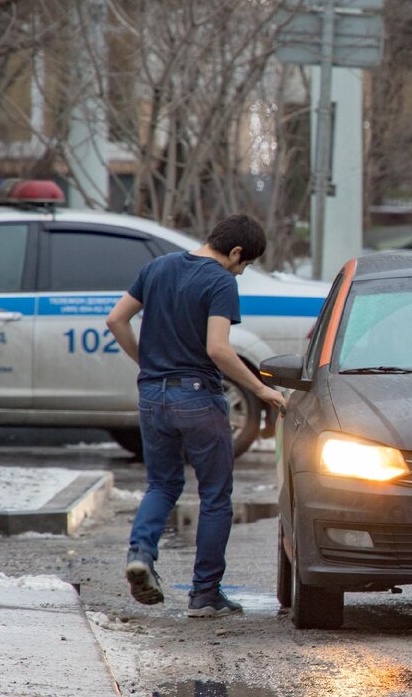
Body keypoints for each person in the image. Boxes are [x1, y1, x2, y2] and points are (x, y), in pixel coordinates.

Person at [106, 215, 286, 619]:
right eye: (245, 264)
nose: (241, 271)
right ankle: (205, 594)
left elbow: (116, 319)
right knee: (215, 496)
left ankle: (141, 554)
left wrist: (147, 364)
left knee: (163, 485)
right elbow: (219, 349)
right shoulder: (221, 281)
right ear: (236, 252)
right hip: (198, 397)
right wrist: (260, 389)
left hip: (153, 395)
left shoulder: (158, 267)